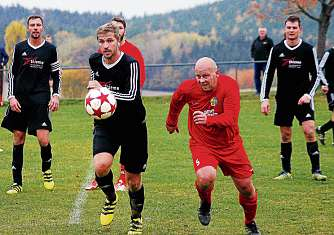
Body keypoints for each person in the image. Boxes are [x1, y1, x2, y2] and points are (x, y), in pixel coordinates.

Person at [166, 57, 261, 235]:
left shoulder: (229, 86)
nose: (201, 80)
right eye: (198, 76)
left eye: (206, 76)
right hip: (202, 144)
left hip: (230, 144)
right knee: (205, 177)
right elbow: (176, 100)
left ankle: (249, 222)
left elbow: (231, 118)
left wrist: (208, 119)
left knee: (246, 188)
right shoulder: (188, 88)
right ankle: (205, 204)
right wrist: (171, 122)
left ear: (217, 73)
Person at [87, 22, 148, 234]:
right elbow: (94, 85)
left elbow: (131, 96)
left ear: (119, 41)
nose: (105, 45)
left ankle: (136, 218)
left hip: (133, 126)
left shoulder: (130, 64)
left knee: (133, 180)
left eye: (110, 41)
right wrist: (93, 97)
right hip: (107, 124)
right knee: (101, 165)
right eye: (101, 41)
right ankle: (111, 199)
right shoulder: (95, 61)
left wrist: (102, 90)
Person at [260, 15, 327, 181]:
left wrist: (308, 95)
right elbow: (268, 74)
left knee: (309, 130)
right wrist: (265, 98)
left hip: (303, 99)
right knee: (285, 135)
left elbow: (317, 75)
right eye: (288, 27)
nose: (291, 30)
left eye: (294, 27)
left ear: (300, 29)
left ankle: (316, 171)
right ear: (285, 29)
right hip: (283, 99)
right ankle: (286, 171)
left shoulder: (307, 49)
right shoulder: (276, 50)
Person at [1, 15, 61, 194]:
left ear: (42, 28)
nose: (35, 28)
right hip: (20, 98)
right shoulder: (20, 48)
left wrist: (56, 95)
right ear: (28, 28)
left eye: (38, 25)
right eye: (32, 25)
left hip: (41, 98)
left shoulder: (50, 49)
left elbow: (57, 74)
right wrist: (11, 97)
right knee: (18, 137)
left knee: (43, 139)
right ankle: (17, 183)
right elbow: (11, 74)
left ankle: (46, 170)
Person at [316, 47, 334, 145]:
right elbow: (319, 69)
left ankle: (321, 129)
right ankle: (321, 129)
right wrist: (325, 83)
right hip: (332, 89)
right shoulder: (329, 53)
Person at [251, 27, 274, 95]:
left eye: (263, 31)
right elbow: (252, 50)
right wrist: (253, 57)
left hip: (266, 62)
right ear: (259, 32)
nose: (262, 32)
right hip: (257, 62)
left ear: (265, 32)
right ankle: (258, 91)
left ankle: (265, 91)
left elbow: (273, 50)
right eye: (261, 31)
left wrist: (270, 59)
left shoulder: (269, 41)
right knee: (256, 77)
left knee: (266, 77)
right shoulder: (255, 41)